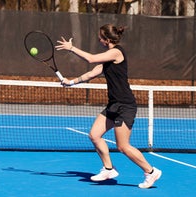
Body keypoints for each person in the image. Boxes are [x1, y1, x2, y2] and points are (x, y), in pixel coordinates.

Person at [55, 24, 162, 189]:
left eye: (100, 37)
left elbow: (90, 58)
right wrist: (71, 82)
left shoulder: (116, 52)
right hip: (113, 105)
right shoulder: (107, 58)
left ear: (107, 39)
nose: (98, 39)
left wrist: (71, 48)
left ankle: (151, 171)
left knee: (123, 146)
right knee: (94, 135)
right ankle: (108, 169)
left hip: (125, 106)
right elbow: (91, 73)